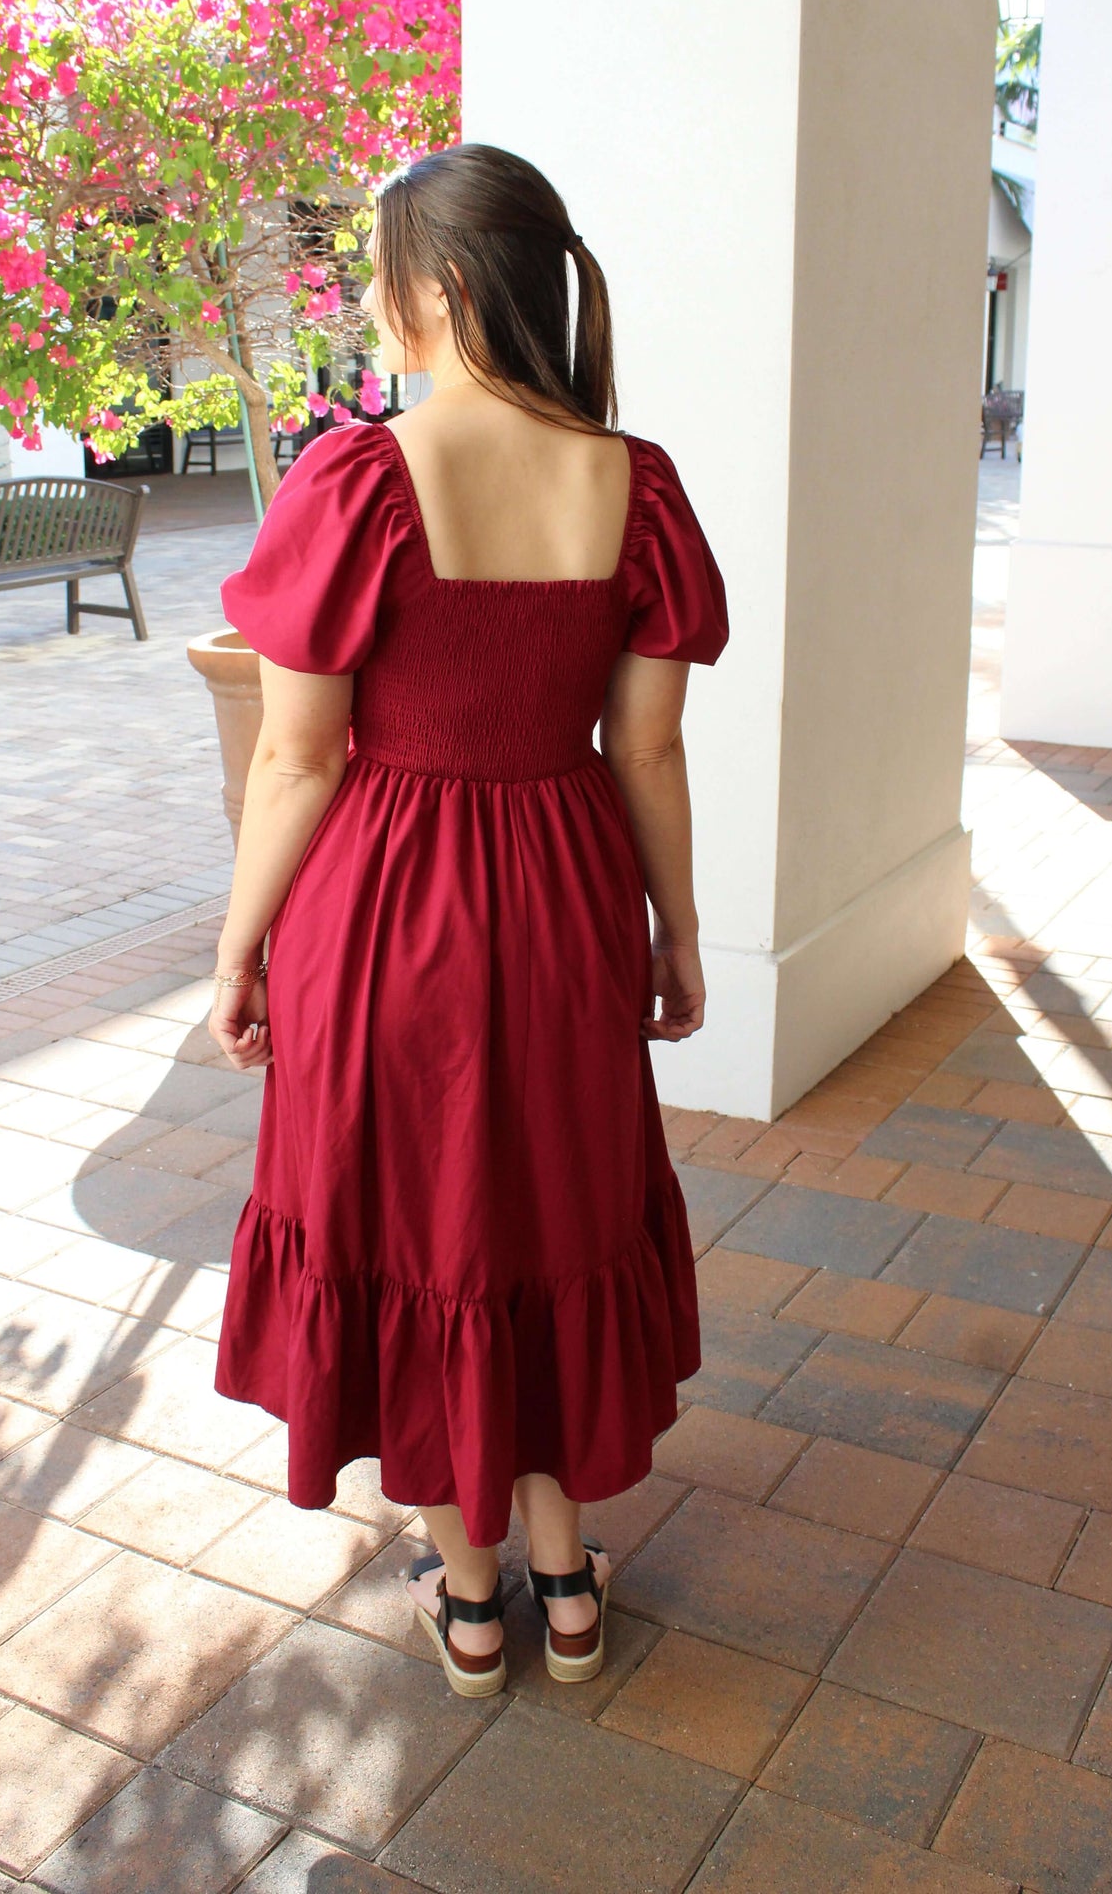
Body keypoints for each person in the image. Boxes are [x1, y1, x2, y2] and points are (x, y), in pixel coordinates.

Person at [209, 142, 728, 1697]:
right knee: (554, 1205)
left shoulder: (357, 476)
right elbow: (644, 744)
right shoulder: (634, 487)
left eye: (379, 275)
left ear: (433, 287)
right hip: (564, 891)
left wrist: (240, 944)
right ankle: (569, 1583)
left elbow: (298, 756)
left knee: (418, 1215)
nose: (372, 305)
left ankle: (476, 1591)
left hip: (384, 903)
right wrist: (676, 926)